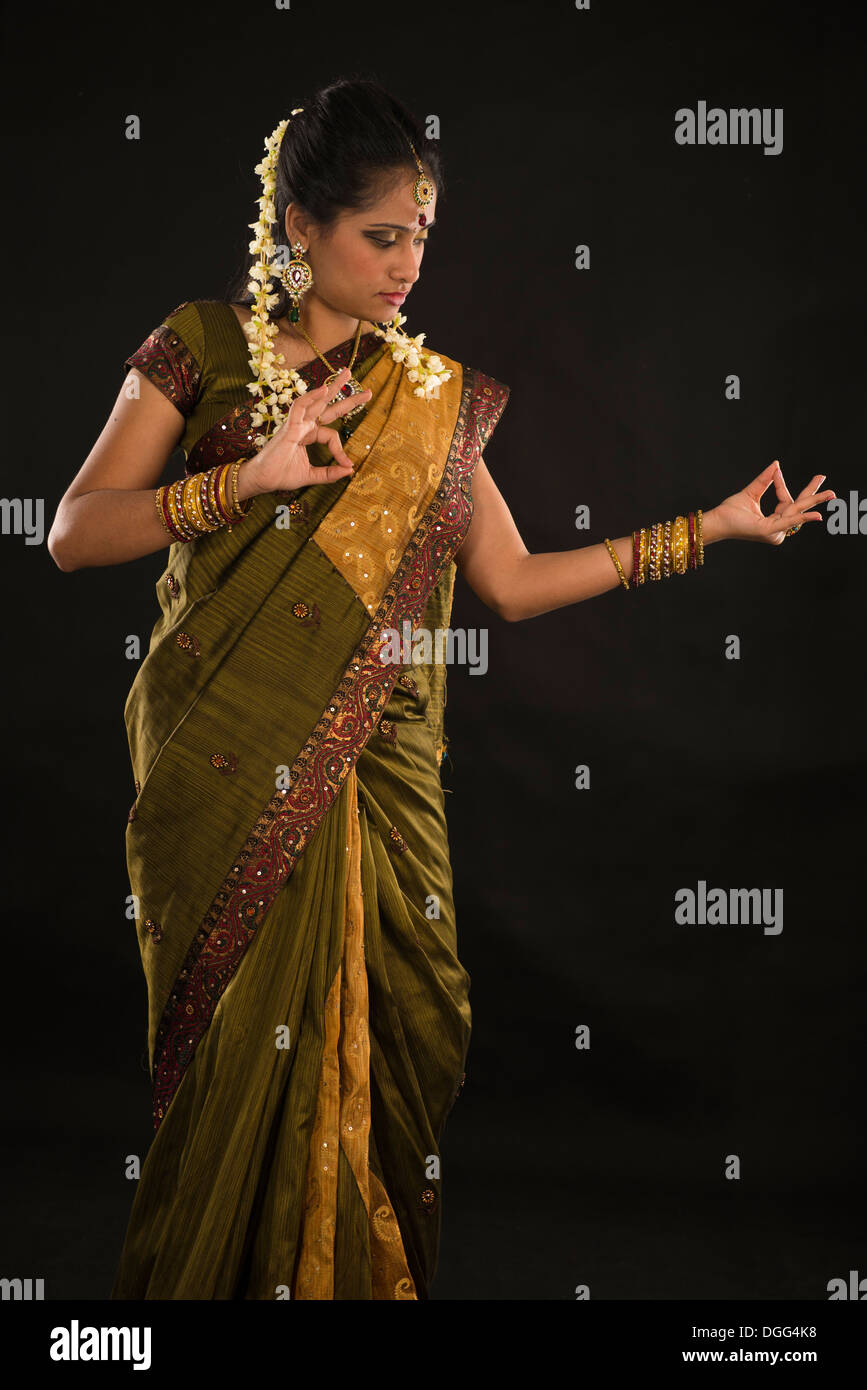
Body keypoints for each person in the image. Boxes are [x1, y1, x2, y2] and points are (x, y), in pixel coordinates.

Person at [47, 78, 834, 1301]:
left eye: (423, 236)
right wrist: (243, 481)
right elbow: (72, 534)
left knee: (399, 1035)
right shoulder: (200, 346)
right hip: (220, 759)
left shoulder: (429, 399)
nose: (411, 264)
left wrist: (712, 529)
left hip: (380, 781)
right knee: (227, 1079)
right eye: (383, 236)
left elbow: (511, 584)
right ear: (302, 227)